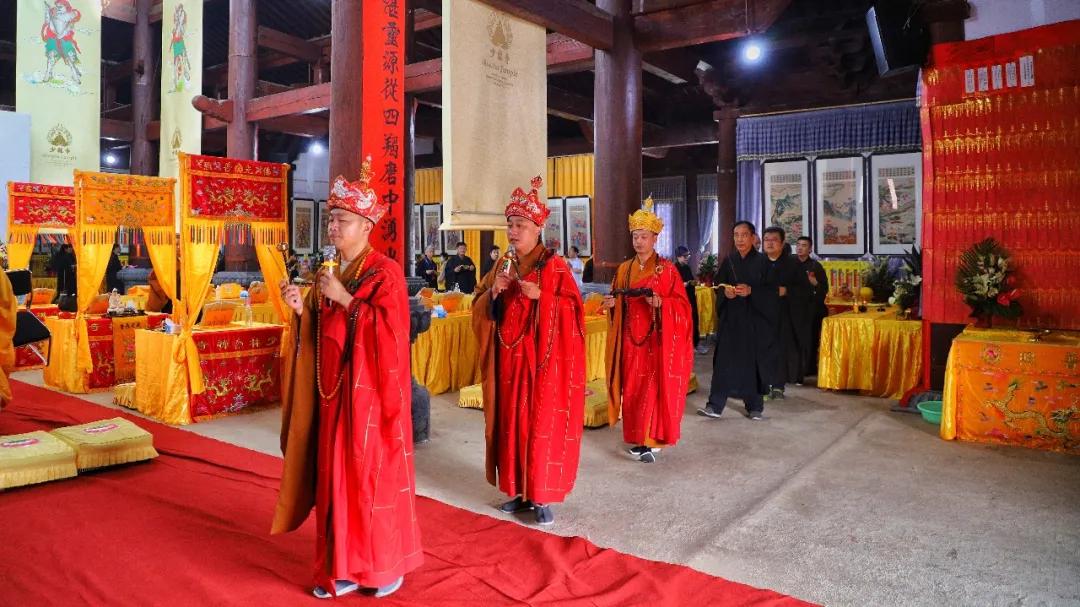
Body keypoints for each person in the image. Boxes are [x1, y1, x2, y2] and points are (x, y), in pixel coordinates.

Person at [274, 157, 422, 599]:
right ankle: (341, 567)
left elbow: (392, 337)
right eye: (332, 219)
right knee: (335, 481)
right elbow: (323, 332)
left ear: (364, 225)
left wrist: (347, 301)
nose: (333, 228)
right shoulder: (333, 271)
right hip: (335, 395)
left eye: (340, 220)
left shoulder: (385, 273)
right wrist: (304, 309)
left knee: (367, 483)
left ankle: (380, 568)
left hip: (372, 399)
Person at [472, 176, 585, 526]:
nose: (513, 231)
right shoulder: (502, 265)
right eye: (510, 224)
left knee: (538, 426)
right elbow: (478, 303)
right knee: (511, 425)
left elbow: (575, 311)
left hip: (541, 365)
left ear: (538, 228)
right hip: (508, 362)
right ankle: (518, 491)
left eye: (521, 224)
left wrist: (544, 299)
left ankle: (541, 495)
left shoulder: (554, 266)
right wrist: (494, 294)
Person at [602, 199, 693, 463]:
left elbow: (684, 308)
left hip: (656, 341)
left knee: (652, 389)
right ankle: (639, 438)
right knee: (633, 389)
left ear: (655, 238)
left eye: (644, 236)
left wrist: (663, 303)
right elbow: (616, 299)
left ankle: (652, 441)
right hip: (631, 340)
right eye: (635, 236)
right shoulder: (624, 269)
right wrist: (611, 304)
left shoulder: (668, 270)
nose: (639, 241)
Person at [698, 221, 771, 421]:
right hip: (731, 320)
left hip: (754, 321)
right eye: (736, 235)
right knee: (723, 362)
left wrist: (752, 291)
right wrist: (726, 292)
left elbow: (772, 292)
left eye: (744, 235)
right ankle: (715, 405)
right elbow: (719, 285)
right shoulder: (729, 260)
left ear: (753, 237)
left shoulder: (764, 262)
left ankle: (755, 406)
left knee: (752, 363)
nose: (739, 239)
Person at [761, 227, 809, 398]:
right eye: (766, 239)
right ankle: (764, 386)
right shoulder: (758, 262)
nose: (770, 243)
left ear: (782, 243)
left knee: (780, 350)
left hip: (784, 314)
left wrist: (787, 291)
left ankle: (778, 386)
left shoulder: (793, 263)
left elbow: (805, 290)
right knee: (762, 350)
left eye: (774, 239)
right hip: (761, 314)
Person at [795, 236, 829, 376]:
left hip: (811, 310)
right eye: (798, 245)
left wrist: (815, 283)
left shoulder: (816, 266)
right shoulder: (790, 263)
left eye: (804, 245)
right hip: (794, 309)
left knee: (810, 339)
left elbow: (824, 289)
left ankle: (809, 369)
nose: (800, 248)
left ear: (810, 249)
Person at [674, 245, 705, 354]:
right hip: (681, 300)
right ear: (678, 256)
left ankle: (695, 343)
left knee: (694, 319)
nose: (687, 258)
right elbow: (674, 285)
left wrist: (693, 282)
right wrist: (686, 284)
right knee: (684, 323)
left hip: (691, 297)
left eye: (688, 255)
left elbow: (691, 279)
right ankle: (686, 345)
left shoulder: (687, 267)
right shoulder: (674, 268)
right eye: (685, 256)